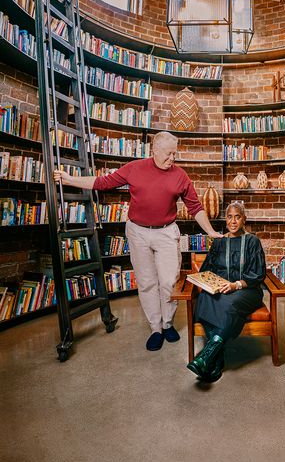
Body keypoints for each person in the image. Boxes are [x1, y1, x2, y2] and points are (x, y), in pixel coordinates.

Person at [53, 131, 223, 351]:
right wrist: (69, 179)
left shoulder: (180, 175)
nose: (173, 158)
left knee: (169, 281)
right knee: (146, 282)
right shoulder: (134, 168)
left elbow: (195, 207)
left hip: (166, 232)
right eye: (168, 154)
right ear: (154, 151)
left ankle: (168, 323)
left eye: (175, 154)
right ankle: (156, 328)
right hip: (138, 232)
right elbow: (102, 183)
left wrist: (210, 231)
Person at [187, 201, 266, 383]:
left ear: (244, 219)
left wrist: (235, 285)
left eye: (237, 216)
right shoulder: (219, 243)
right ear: (225, 220)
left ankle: (207, 356)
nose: (233, 221)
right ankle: (216, 359)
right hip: (220, 288)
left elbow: (258, 273)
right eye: (229, 217)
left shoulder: (253, 241)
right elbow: (206, 270)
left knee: (231, 303)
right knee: (205, 297)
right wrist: (209, 283)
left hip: (246, 290)